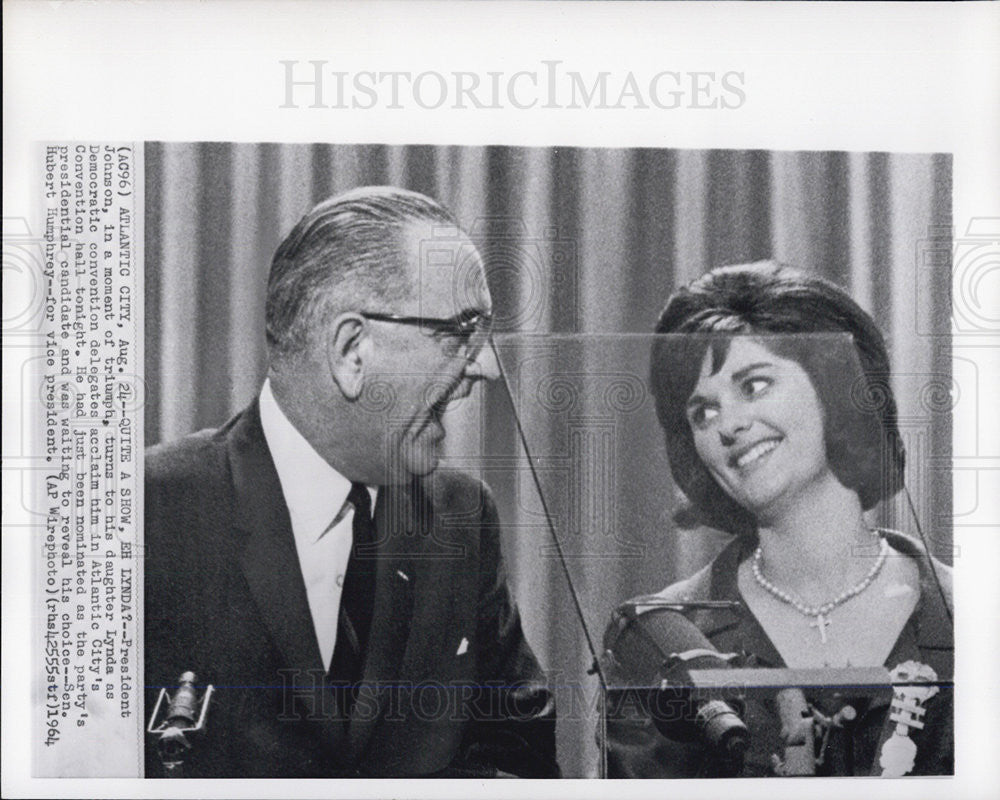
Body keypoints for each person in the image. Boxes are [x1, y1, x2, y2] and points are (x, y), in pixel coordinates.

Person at [144, 186, 559, 778]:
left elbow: (520, 755)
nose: (486, 367)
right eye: (460, 332)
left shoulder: (460, 518)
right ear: (352, 350)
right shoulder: (146, 513)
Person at [602, 261, 952, 777]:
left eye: (756, 384)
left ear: (835, 387)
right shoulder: (658, 637)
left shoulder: (971, 612)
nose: (731, 425)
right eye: (703, 412)